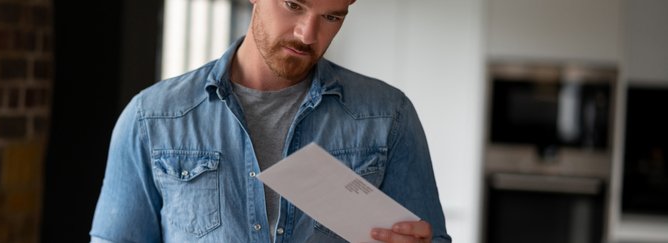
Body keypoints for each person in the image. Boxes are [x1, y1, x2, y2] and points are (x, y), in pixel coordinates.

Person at [90, 0, 451, 242]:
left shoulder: (389, 117)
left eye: (332, 16)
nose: (307, 34)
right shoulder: (152, 119)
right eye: (294, 4)